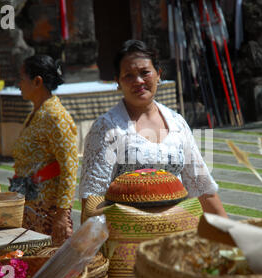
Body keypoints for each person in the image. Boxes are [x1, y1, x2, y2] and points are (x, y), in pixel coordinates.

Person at [79, 40, 227, 218]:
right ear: (118, 81)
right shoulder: (107, 128)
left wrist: (229, 233)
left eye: (145, 72)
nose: (138, 81)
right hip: (127, 238)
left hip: (176, 232)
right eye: (129, 75)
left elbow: (202, 186)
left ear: (159, 74)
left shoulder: (177, 123)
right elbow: (92, 200)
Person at [11, 54, 79, 246]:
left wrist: (62, 214)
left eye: (21, 78)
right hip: (32, 205)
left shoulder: (55, 116)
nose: (19, 84)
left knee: (50, 266)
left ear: (37, 81)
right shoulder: (37, 113)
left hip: (48, 210)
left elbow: (69, 167)